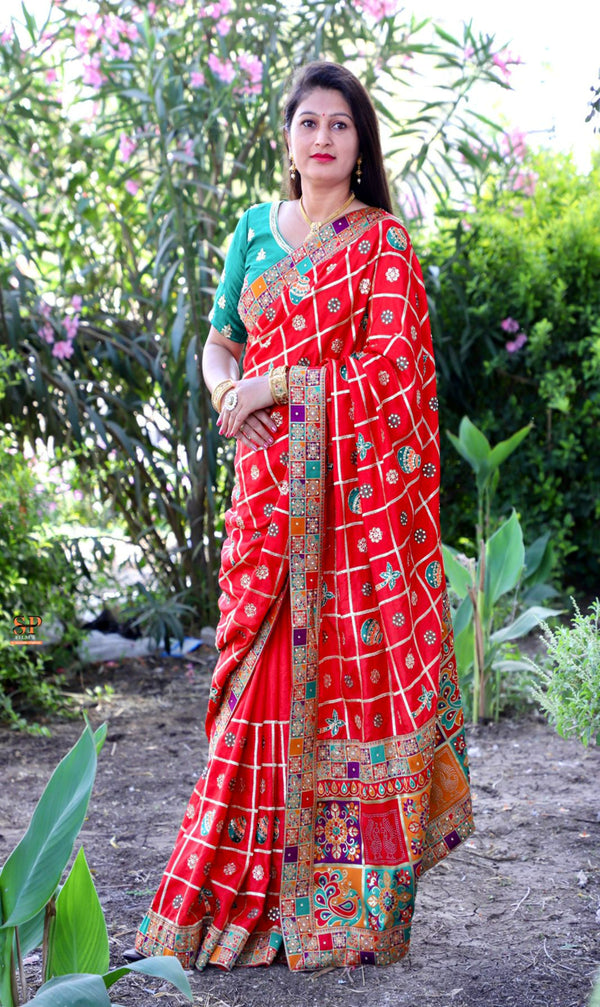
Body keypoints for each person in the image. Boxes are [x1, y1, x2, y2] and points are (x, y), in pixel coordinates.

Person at [132, 60, 474, 973]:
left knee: (322, 681)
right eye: (308, 123)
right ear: (287, 137)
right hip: (264, 496)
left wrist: (282, 384)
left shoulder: (382, 245)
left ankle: (334, 909)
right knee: (251, 694)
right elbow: (218, 345)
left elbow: (396, 384)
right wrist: (227, 394)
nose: (323, 139)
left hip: (349, 520)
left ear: (361, 146)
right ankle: (230, 896)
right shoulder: (253, 232)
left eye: (342, 126)